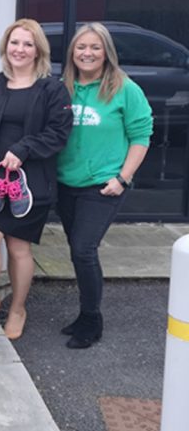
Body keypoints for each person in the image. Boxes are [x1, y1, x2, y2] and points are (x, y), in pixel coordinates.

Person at [0, 18, 72, 340]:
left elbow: (58, 134)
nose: (19, 49)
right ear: (5, 47)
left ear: (38, 50)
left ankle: (19, 307)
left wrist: (24, 148)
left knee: (19, 247)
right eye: (14, 42)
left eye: (27, 43)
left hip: (30, 184)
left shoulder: (52, 88)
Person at [56, 22, 152, 349]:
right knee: (76, 250)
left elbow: (141, 136)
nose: (87, 53)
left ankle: (91, 318)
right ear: (72, 52)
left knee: (84, 249)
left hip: (103, 186)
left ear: (106, 52)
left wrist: (123, 178)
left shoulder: (124, 88)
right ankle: (85, 313)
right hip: (66, 182)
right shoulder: (63, 86)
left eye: (95, 47)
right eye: (82, 47)